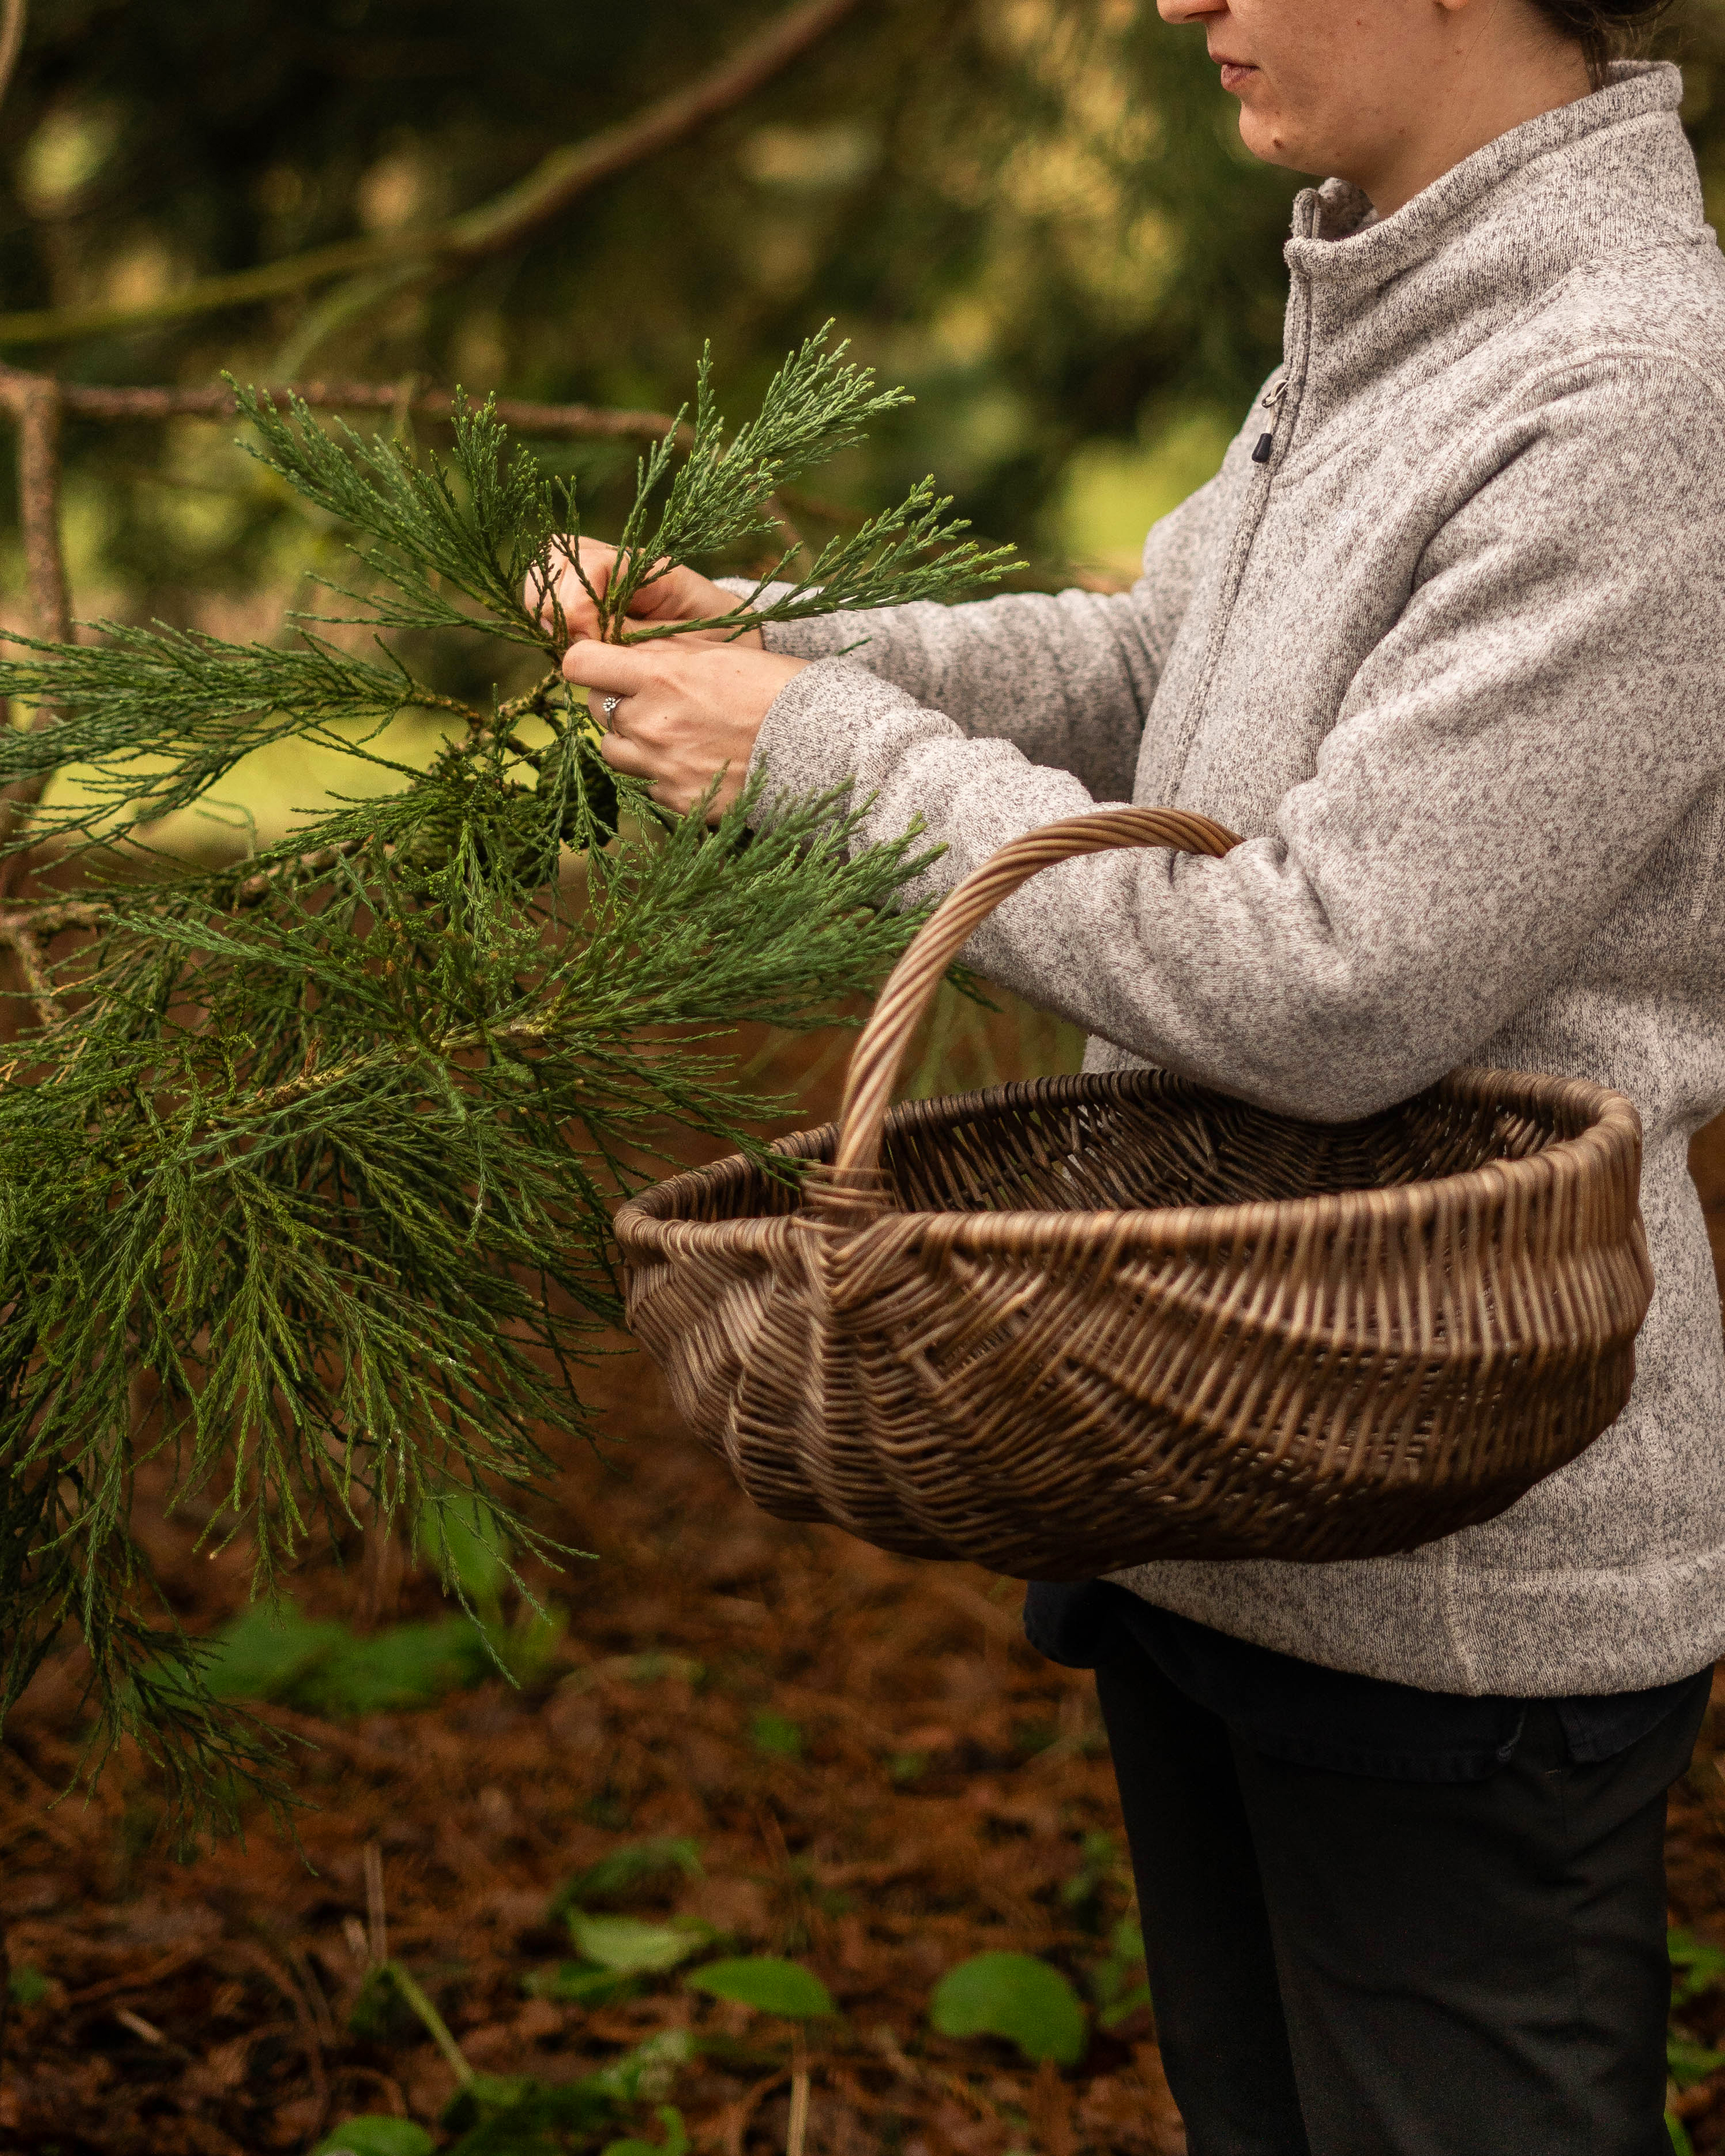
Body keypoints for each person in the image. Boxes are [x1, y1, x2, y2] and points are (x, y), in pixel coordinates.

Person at [539, 0, 1725, 2145]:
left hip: (1463, 1560)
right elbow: (1152, 667)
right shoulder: (1400, 290)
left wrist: (804, 756)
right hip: (1213, 1484)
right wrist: (781, 642)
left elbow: (1328, 979)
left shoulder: (1641, 388)